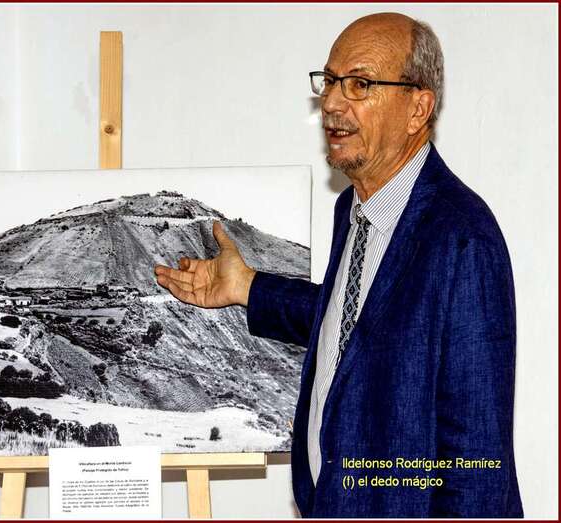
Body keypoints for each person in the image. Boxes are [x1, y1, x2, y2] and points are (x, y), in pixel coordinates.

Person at [154, 12, 522, 518]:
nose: (330, 102)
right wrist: (248, 287)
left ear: (417, 109)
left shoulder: (462, 238)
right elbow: (361, 328)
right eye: (329, 81)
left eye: (359, 84)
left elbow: (478, 463)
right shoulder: (352, 209)